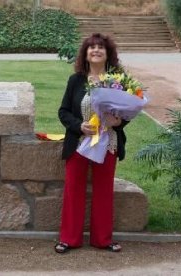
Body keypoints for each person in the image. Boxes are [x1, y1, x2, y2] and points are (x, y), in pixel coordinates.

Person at [55, 33, 128, 254]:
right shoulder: (76, 80)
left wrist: (119, 121)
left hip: (108, 142)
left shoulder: (119, 81)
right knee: (73, 190)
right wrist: (79, 126)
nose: (96, 50)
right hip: (79, 143)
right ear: (86, 53)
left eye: (100, 48)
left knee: (104, 191)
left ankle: (103, 239)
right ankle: (69, 238)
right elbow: (63, 111)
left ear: (108, 53)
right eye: (91, 47)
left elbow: (127, 112)